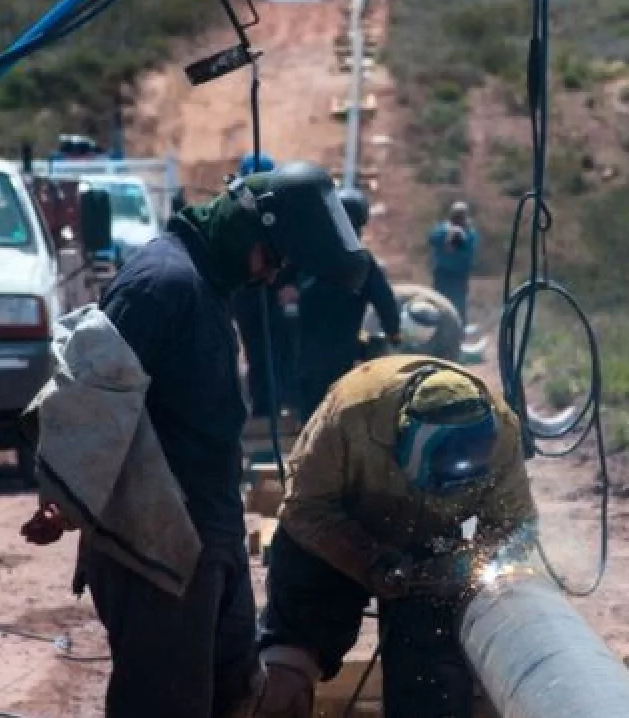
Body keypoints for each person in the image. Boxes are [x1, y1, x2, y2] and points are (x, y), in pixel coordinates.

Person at [20, 162, 370, 718]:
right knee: (165, 704)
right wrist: (66, 500)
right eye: (272, 258)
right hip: (157, 545)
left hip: (208, 535)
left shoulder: (204, 285)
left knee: (233, 693)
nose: (270, 276)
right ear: (246, 228)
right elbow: (90, 395)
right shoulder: (164, 284)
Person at [252, 356, 539, 718]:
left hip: (427, 542)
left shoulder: (504, 436)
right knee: (289, 663)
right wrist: (371, 561)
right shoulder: (349, 417)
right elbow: (305, 510)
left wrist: (460, 568)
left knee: (429, 676)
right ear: (407, 440)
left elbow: (515, 526)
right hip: (331, 531)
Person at [291, 187, 403, 423]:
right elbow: (384, 299)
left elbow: (278, 286)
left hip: (304, 345)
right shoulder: (361, 260)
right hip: (342, 346)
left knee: (309, 399)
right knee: (336, 400)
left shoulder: (307, 253)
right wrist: (393, 332)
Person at [229, 153, 289, 426]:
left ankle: (276, 404)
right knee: (256, 350)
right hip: (247, 291)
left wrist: (288, 283)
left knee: (277, 349)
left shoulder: (283, 209)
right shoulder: (236, 211)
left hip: (275, 291)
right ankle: (264, 407)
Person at [427, 201, 477, 326]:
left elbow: (469, 251)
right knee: (439, 301)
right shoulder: (442, 229)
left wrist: (460, 239)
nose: (458, 219)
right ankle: (438, 326)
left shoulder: (469, 233)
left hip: (459, 274)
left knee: (459, 304)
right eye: (456, 215)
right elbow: (432, 239)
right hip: (443, 272)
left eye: (461, 216)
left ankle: (459, 328)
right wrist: (447, 235)